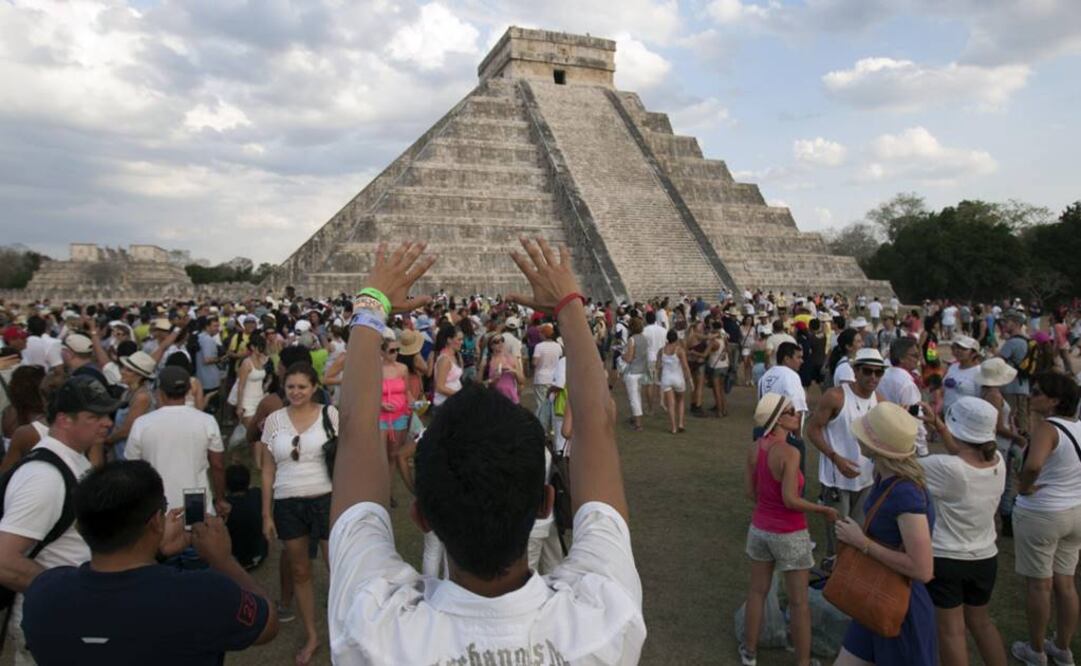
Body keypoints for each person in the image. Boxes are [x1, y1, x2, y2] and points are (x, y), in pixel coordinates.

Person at [327, 239, 645, 663]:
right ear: (544, 504)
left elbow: (354, 430)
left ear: (422, 517)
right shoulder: (603, 619)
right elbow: (598, 424)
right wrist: (569, 303)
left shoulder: (373, 629)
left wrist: (371, 303)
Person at [21, 460, 277, 663]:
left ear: (80, 526)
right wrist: (223, 561)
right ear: (156, 521)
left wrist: (157, 553)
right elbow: (267, 624)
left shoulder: (43, 593)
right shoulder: (202, 593)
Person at [0, 375, 120, 664]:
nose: (107, 422)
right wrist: (73, 591)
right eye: (95, 416)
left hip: (69, 617)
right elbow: (3, 559)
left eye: (107, 414)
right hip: (54, 621)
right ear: (64, 420)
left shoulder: (73, 459)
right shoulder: (44, 476)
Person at [834, 402, 937, 665]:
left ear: (877, 445)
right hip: (875, 596)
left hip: (899, 607)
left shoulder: (905, 493)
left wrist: (862, 543)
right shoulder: (884, 476)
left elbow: (923, 569)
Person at [740, 393, 838, 666]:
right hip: (790, 533)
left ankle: (749, 652)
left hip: (759, 529)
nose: (797, 414)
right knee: (799, 602)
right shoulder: (790, 453)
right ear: (777, 419)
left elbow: (750, 492)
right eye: (791, 411)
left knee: (757, 591)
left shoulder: (755, 448)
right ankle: (803, 661)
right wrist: (824, 511)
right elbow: (791, 500)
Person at [918, 397, 1007, 666]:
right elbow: (964, 452)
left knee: (951, 632)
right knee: (981, 623)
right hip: (984, 557)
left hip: (947, 558)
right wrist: (942, 428)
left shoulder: (945, 467)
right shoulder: (998, 461)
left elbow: (903, 464)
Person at [260, 362, 336, 665]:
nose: (296, 392)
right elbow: (267, 470)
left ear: (314, 387)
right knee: (300, 571)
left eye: (302, 386)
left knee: (338, 569)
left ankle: (347, 626)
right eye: (290, 386)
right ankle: (312, 634)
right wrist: (266, 514)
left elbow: (344, 459)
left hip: (326, 498)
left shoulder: (330, 415)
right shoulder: (274, 421)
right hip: (288, 502)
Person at [1010, 372, 1081, 666]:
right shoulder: (1078, 427)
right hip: (1075, 512)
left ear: (1054, 401)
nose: (1031, 395)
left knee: (1040, 585)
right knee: (1065, 583)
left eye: (1037, 392)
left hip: (1043, 513)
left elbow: (1034, 464)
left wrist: (1024, 487)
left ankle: (1036, 650)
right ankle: (1062, 648)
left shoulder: (1047, 428)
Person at [806, 348, 884, 563]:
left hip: (867, 479)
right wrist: (835, 457)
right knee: (838, 537)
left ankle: (848, 580)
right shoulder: (836, 396)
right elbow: (812, 430)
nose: (873, 377)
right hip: (836, 479)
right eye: (867, 371)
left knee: (858, 536)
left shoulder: (880, 400)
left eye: (879, 373)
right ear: (855, 371)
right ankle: (831, 573)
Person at [126, 366, 227, 518]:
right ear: (188, 391)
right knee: (195, 533)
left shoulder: (142, 424)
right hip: (195, 497)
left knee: (162, 539)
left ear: (160, 392)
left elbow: (132, 469)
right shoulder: (207, 421)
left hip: (156, 500)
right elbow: (217, 465)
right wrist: (220, 499)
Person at [878, 337, 928, 456]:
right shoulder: (906, 384)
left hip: (884, 436)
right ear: (901, 358)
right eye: (915, 355)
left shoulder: (883, 375)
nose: (918, 359)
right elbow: (916, 419)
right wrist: (922, 450)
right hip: (905, 444)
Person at [225, 464, 268, 570]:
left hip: (232, 559)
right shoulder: (258, 495)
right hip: (257, 556)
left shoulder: (221, 506)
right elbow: (254, 488)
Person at [998, 310, 1032, 437]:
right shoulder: (1026, 340)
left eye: (1007, 322)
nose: (1004, 325)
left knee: (1010, 418)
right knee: (1022, 417)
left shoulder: (1012, 342)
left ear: (1017, 323)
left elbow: (998, 361)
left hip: (1011, 386)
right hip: (1023, 385)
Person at [657, 329, 691, 435]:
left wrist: (658, 378)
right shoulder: (679, 350)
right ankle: (680, 423)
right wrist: (690, 379)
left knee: (670, 404)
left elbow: (658, 366)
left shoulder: (661, 350)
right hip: (678, 378)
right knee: (680, 401)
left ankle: (673, 427)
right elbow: (685, 366)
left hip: (666, 378)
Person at [531, 323, 562, 434]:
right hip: (553, 378)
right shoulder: (558, 346)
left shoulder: (539, 347)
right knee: (552, 404)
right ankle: (552, 428)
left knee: (541, 404)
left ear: (544, 334)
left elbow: (535, 362)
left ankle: (541, 428)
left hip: (541, 378)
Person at [480, 334, 525, 404]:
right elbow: (478, 384)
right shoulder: (486, 362)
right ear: (491, 345)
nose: (500, 343)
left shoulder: (512, 358)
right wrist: (492, 380)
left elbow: (522, 381)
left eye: (502, 340)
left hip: (511, 399)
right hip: (493, 400)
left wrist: (514, 371)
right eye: (496, 342)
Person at [621, 317, 648, 431]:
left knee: (633, 398)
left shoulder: (632, 339)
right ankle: (635, 417)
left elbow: (629, 358)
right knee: (638, 395)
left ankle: (638, 424)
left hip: (632, 371)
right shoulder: (644, 338)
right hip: (641, 370)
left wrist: (622, 355)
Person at [942, 335, 981, 413]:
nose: (958, 351)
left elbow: (981, 398)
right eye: (956, 348)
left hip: (965, 418)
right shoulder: (953, 367)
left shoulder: (979, 372)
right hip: (947, 414)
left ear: (974, 353)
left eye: (963, 349)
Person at [432, 323, 463, 413]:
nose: (462, 342)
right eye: (459, 339)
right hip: (444, 405)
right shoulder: (445, 360)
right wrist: (460, 394)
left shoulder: (455, 356)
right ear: (449, 340)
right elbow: (439, 387)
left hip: (453, 403)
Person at [642, 310, 667, 414]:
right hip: (661, 358)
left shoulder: (644, 331)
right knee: (661, 382)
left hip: (649, 358)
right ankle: (662, 403)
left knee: (649, 384)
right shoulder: (663, 330)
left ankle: (651, 408)